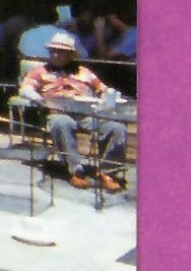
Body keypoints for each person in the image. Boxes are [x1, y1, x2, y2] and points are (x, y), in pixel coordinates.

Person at [19, 32, 127, 192]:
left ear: (70, 54)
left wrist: (109, 98)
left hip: (86, 113)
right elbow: (25, 89)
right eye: (53, 51)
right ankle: (75, 170)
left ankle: (108, 172)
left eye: (61, 51)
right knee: (62, 122)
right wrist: (40, 100)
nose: (55, 54)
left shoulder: (84, 72)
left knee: (116, 127)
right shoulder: (39, 71)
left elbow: (103, 90)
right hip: (58, 111)